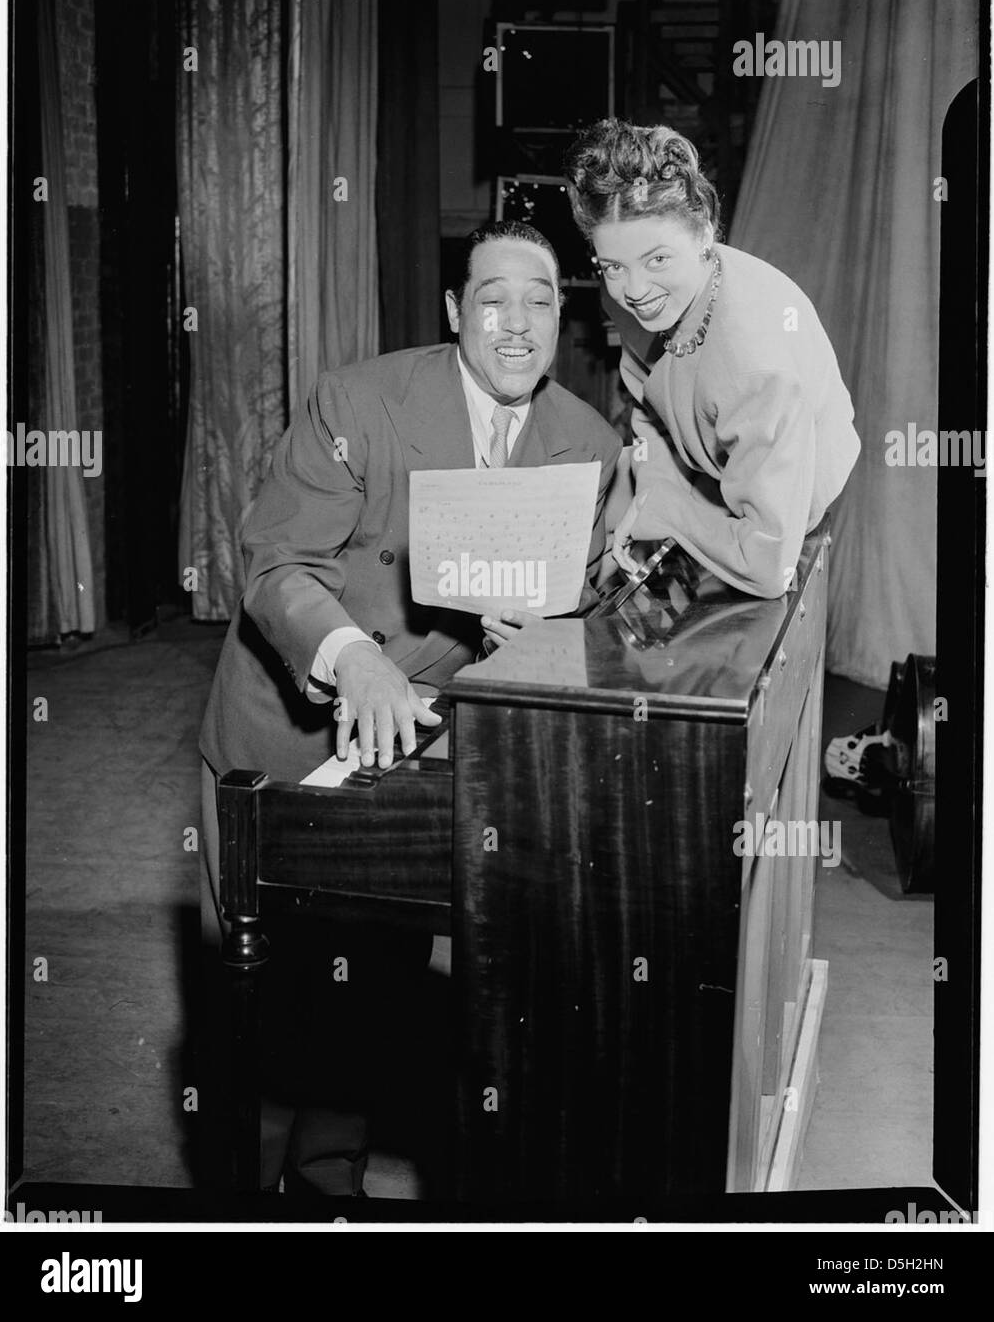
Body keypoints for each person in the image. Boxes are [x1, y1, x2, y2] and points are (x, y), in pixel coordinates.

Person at [197, 219, 622, 1194]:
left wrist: (551, 634)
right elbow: (276, 566)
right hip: (289, 726)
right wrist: (353, 660)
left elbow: (595, 606)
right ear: (451, 312)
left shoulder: (588, 445)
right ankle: (233, 1199)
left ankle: (326, 1178)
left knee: (373, 987)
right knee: (259, 1008)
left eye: (541, 301)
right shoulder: (359, 401)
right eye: (492, 299)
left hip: (424, 745)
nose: (517, 325)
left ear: (565, 315)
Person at [564, 119, 860, 599]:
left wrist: (669, 510)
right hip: (706, 474)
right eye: (613, 266)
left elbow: (766, 568)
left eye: (658, 259)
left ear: (704, 231)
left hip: (781, 514)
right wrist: (653, 488)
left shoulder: (758, 365)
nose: (635, 291)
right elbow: (648, 407)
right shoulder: (625, 293)